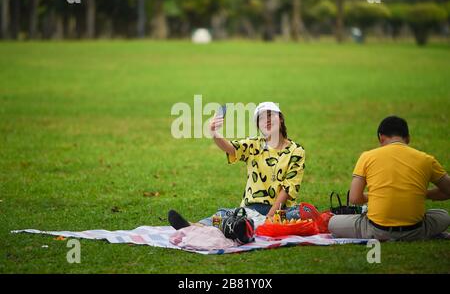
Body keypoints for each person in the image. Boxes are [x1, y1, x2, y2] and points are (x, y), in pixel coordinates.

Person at [168, 102, 306, 230]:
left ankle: (245, 227)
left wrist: (270, 217)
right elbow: (231, 149)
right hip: (252, 208)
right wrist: (214, 133)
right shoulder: (254, 144)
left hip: (280, 211)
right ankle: (193, 227)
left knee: (299, 214)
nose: (267, 120)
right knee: (223, 215)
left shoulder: (296, 151)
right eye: (262, 118)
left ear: (280, 118)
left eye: (271, 115)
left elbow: (288, 189)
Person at [328, 116, 450, 241]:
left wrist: (379, 195)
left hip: (377, 231)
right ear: (408, 138)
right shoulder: (426, 160)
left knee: (333, 222)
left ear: (381, 137)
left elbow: (355, 198)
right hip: (416, 231)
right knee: (443, 215)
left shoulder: (367, 157)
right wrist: (421, 194)